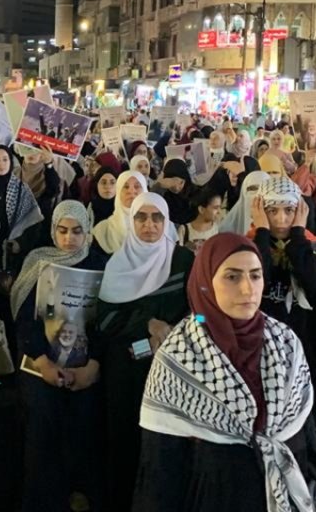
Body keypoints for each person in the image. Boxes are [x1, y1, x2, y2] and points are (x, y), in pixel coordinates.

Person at [133, 234, 316, 512]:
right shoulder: (180, 357)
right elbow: (160, 469)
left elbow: (306, 435)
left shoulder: (284, 343)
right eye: (232, 277)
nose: (248, 289)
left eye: (256, 276)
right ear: (206, 283)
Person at [96, 193, 195, 512]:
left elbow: (203, 314)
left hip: (174, 365)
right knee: (125, 442)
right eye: (141, 217)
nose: (149, 225)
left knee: (167, 445)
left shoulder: (183, 261)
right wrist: (146, 325)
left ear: (166, 222)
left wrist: (170, 334)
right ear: (131, 220)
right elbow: (105, 321)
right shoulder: (118, 263)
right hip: (126, 367)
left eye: (156, 218)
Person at [11, 201, 109, 511]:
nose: (69, 238)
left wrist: (92, 366)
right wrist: (43, 361)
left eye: (77, 231)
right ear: (53, 230)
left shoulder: (101, 264)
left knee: (81, 431)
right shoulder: (38, 261)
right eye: (63, 231)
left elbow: (107, 320)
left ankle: (77, 491)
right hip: (42, 365)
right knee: (42, 433)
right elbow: (24, 317)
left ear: (87, 231)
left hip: (85, 368)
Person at [251, 175, 316, 458]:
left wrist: (299, 237)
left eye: (289, 210)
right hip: (259, 353)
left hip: (305, 350)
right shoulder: (248, 244)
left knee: (306, 432)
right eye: (272, 210)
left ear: (300, 212)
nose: (280, 219)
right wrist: (263, 235)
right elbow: (256, 285)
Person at [0, 145, 44, 276]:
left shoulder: (20, 188)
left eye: (5, 159)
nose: (1, 164)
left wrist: (20, 243)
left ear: (11, 161)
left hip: (10, 251)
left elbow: (32, 222)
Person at [91, 170, 147, 254]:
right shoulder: (103, 231)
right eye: (126, 187)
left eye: (137, 186)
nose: (131, 191)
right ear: (118, 192)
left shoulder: (161, 227)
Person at [218, 171, 272, 236]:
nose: (258, 194)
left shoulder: (281, 224)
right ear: (244, 192)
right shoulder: (227, 229)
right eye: (253, 189)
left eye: (264, 189)